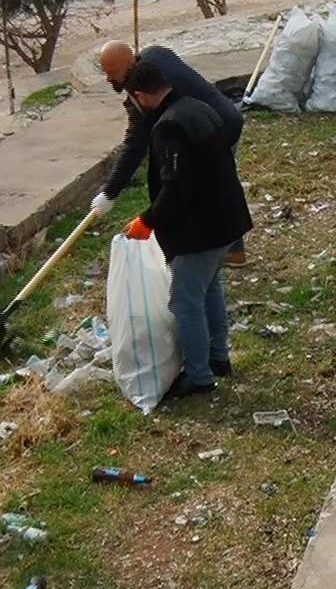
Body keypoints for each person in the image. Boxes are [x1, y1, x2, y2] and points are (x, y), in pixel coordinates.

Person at [119, 59, 253, 401]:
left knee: (184, 302)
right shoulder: (199, 108)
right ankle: (218, 357)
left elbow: (175, 187)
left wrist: (147, 221)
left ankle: (199, 375)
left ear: (141, 95)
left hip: (201, 230)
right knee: (209, 289)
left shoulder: (169, 127)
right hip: (227, 221)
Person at [94, 40, 253, 267]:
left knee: (207, 190)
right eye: (106, 73)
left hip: (216, 128)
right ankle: (225, 251)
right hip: (218, 119)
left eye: (112, 72)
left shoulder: (148, 83)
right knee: (214, 186)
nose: (108, 79)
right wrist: (110, 192)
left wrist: (109, 193)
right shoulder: (154, 56)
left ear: (130, 64)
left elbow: (136, 145)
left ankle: (214, 252)